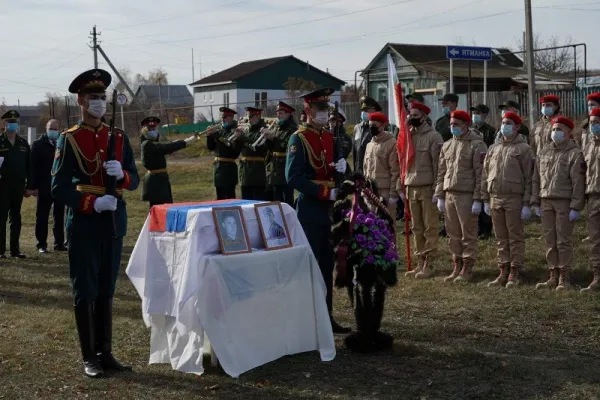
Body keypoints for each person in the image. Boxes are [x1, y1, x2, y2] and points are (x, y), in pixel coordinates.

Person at [51, 68, 139, 378]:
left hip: (114, 219)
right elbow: (58, 187)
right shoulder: (70, 138)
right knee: (85, 288)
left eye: (102, 97)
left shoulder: (118, 137)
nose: (99, 102)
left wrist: (122, 175)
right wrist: (91, 203)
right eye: (93, 97)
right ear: (81, 101)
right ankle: (89, 356)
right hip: (86, 222)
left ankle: (106, 352)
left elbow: (135, 178)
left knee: (106, 287)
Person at [286, 87, 351, 334]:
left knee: (327, 263)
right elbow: (293, 177)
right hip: (311, 208)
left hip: (330, 210)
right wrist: (325, 192)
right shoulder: (299, 139)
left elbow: (336, 170)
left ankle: (326, 315)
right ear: (308, 110)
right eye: (319, 109)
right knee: (309, 264)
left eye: (326, 108)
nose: (324, 113)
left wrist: (344, 168)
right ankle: (306, 319)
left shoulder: (330, 137)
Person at [531, 116, 585, 291]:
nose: (555, 132)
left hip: (564, 202)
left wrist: (576, 206)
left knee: (563, 241)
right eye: (554, 129)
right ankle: (552, 273)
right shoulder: (544, 152)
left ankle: (564, 276)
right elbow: (536, 179)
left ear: (569, 132)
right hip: (546, 200)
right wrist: (535, 201)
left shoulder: (575, 153)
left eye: (559, 129)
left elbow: (578, 182)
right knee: (550, 240)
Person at [481, 112, 534, 288]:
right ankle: (503, 268)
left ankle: (515, 270)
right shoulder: (493, 148)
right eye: (503, 123)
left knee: (515, 236)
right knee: (501, 237)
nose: (505, 126)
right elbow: (485, 175)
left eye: (509, 123)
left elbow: (529, 177)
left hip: (514, 198)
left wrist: (526, 203)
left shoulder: (524, 149)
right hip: (495, 197)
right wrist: (485, 199)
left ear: (517, 127)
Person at [435, 110, 487, 283]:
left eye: (456, 124)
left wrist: (478, 199)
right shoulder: (447, 145)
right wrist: (440, 195)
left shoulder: (477, 145)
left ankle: (467, 266)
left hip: (467, 195)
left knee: (468, 233)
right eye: (451, 124)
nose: (453, 127)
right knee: (453, 233)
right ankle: (456, 264)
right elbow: (441, 172)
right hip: (449, 193)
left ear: (466, 125)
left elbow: (481, 174)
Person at [402, 102, 443, 279]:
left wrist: (437, 189)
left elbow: (439, 165)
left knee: (429, 227)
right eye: (410, 115)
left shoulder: (433, 136)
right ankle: (420, 260)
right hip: (411, 186)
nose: (412, 119)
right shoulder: (408, 135)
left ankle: (430, 262)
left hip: (427, 187)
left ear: (424, 117)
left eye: (416, 116)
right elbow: (402, 158)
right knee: (416, 227)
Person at [140, 116, 196, 208]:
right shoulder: (147, 144)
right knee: (159, 208)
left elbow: (164, 148)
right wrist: (184, 142)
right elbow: (165, 148)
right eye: (150, 129)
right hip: (155, 181)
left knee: (166, 207)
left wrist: (175, 143)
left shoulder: (152, 143)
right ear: (145, 130)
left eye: (154, 128)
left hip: (160, 179)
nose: (153, 130)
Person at [0, 110, 34, 259]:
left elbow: (29, 166)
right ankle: (1, 250)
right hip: (2, 185)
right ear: (4, 123)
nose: (12, 125)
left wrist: (29, 186)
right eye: (9, 122)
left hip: (19, 185)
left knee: (16, 217)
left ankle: (15, 250)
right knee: (1, 218)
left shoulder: (23, 143)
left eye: (14, 122)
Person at [31, 118, 66, 253]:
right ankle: (41, 244)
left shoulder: (63, 144)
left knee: (59, 215)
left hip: (59, 186)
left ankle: (59, 243)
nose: (53, 131)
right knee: (42, 216)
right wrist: (33, 186)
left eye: (55, 129)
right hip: (44, 186)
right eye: (50, 129)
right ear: (46, 129)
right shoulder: (38, 145)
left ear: (59, 129)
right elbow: (33, 167)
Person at [363, 112, 400, 220]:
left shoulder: (392, 143)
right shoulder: (369, 145)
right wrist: (364, 189)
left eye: (374, 125)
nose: (371, 128)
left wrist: (393, 193)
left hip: (385, 192)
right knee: (371, 224)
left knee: (387, 224)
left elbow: (395, 171)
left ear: (382, 126)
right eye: (370, 125)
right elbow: (365, 169)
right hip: (370, 191)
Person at [580, 107, 600, 291]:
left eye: (597, 122)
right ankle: (597, 275)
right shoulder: (588, 147)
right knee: (595, 238)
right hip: (593, 197)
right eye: (592, 122)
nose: (594, 126)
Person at [469, 104, 495, 240]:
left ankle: (486, 228)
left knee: (484, 196)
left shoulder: (490, 130)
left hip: (486, 165)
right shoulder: (470, 130)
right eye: (474, 113)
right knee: (475, 197)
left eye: (478, 113)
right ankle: (477, 227)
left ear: (485, 115)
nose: (475, 116)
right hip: (473, 166)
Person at [264, 101, 298, 206]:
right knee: (276, 199)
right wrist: (268, 139)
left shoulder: (293, 129)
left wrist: (273, 138)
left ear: (288, 114)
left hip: (286, 166)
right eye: (277, 113)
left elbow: (287, 146)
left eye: (281, 113)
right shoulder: (277, 128)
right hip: (275, 167)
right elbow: (271, 149)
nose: (278, 115)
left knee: (287, 199)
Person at [232, 107, 268, 200]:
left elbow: (257, 146)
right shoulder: (246, 130)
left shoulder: (263, 129)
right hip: (245, 171)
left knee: (258, 200)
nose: (249, 119)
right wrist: (236, 139)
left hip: (257, 171)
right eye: (248, 116)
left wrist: (242, 137)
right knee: (246, 200)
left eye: (251, 116)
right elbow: (236, 150)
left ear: (258, 116)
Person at [206, 107, 241, 200]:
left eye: (225, 117)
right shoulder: (220, 130)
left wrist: (215, 135)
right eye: (221, 117)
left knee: (229, 197)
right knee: (220, 197)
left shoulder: (235, 131)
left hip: (229, 168)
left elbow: (228, 147)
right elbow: (211, 148)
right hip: (218, 168)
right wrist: (209, 136)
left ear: (231, 117)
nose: (222, 119)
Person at [352, 96, 381, 174]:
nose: (363, 112)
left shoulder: (379, 127)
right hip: (359, 172)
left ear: (374, 110)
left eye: (366, 110)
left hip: (372, 171)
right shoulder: (357, 128)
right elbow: (355, 151)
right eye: (362, 110)